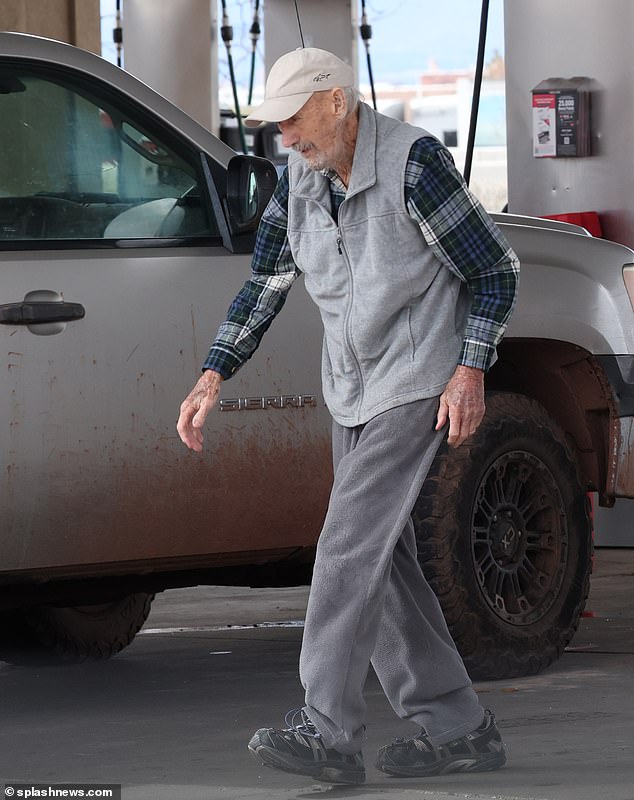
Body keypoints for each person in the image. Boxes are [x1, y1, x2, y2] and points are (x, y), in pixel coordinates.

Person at [177, 47, 519, 786]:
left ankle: (328, 730)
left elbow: (495, 269)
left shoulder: (415, 166)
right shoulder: (297, 180)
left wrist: (469, 372)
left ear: (336, 101)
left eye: (294, 121)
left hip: (417, 383)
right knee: (383, 562)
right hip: (351, 390)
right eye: (275, 129)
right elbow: (265, 282)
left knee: (344, 550)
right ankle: (459, 729)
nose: (285, 140)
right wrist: (214, 372)